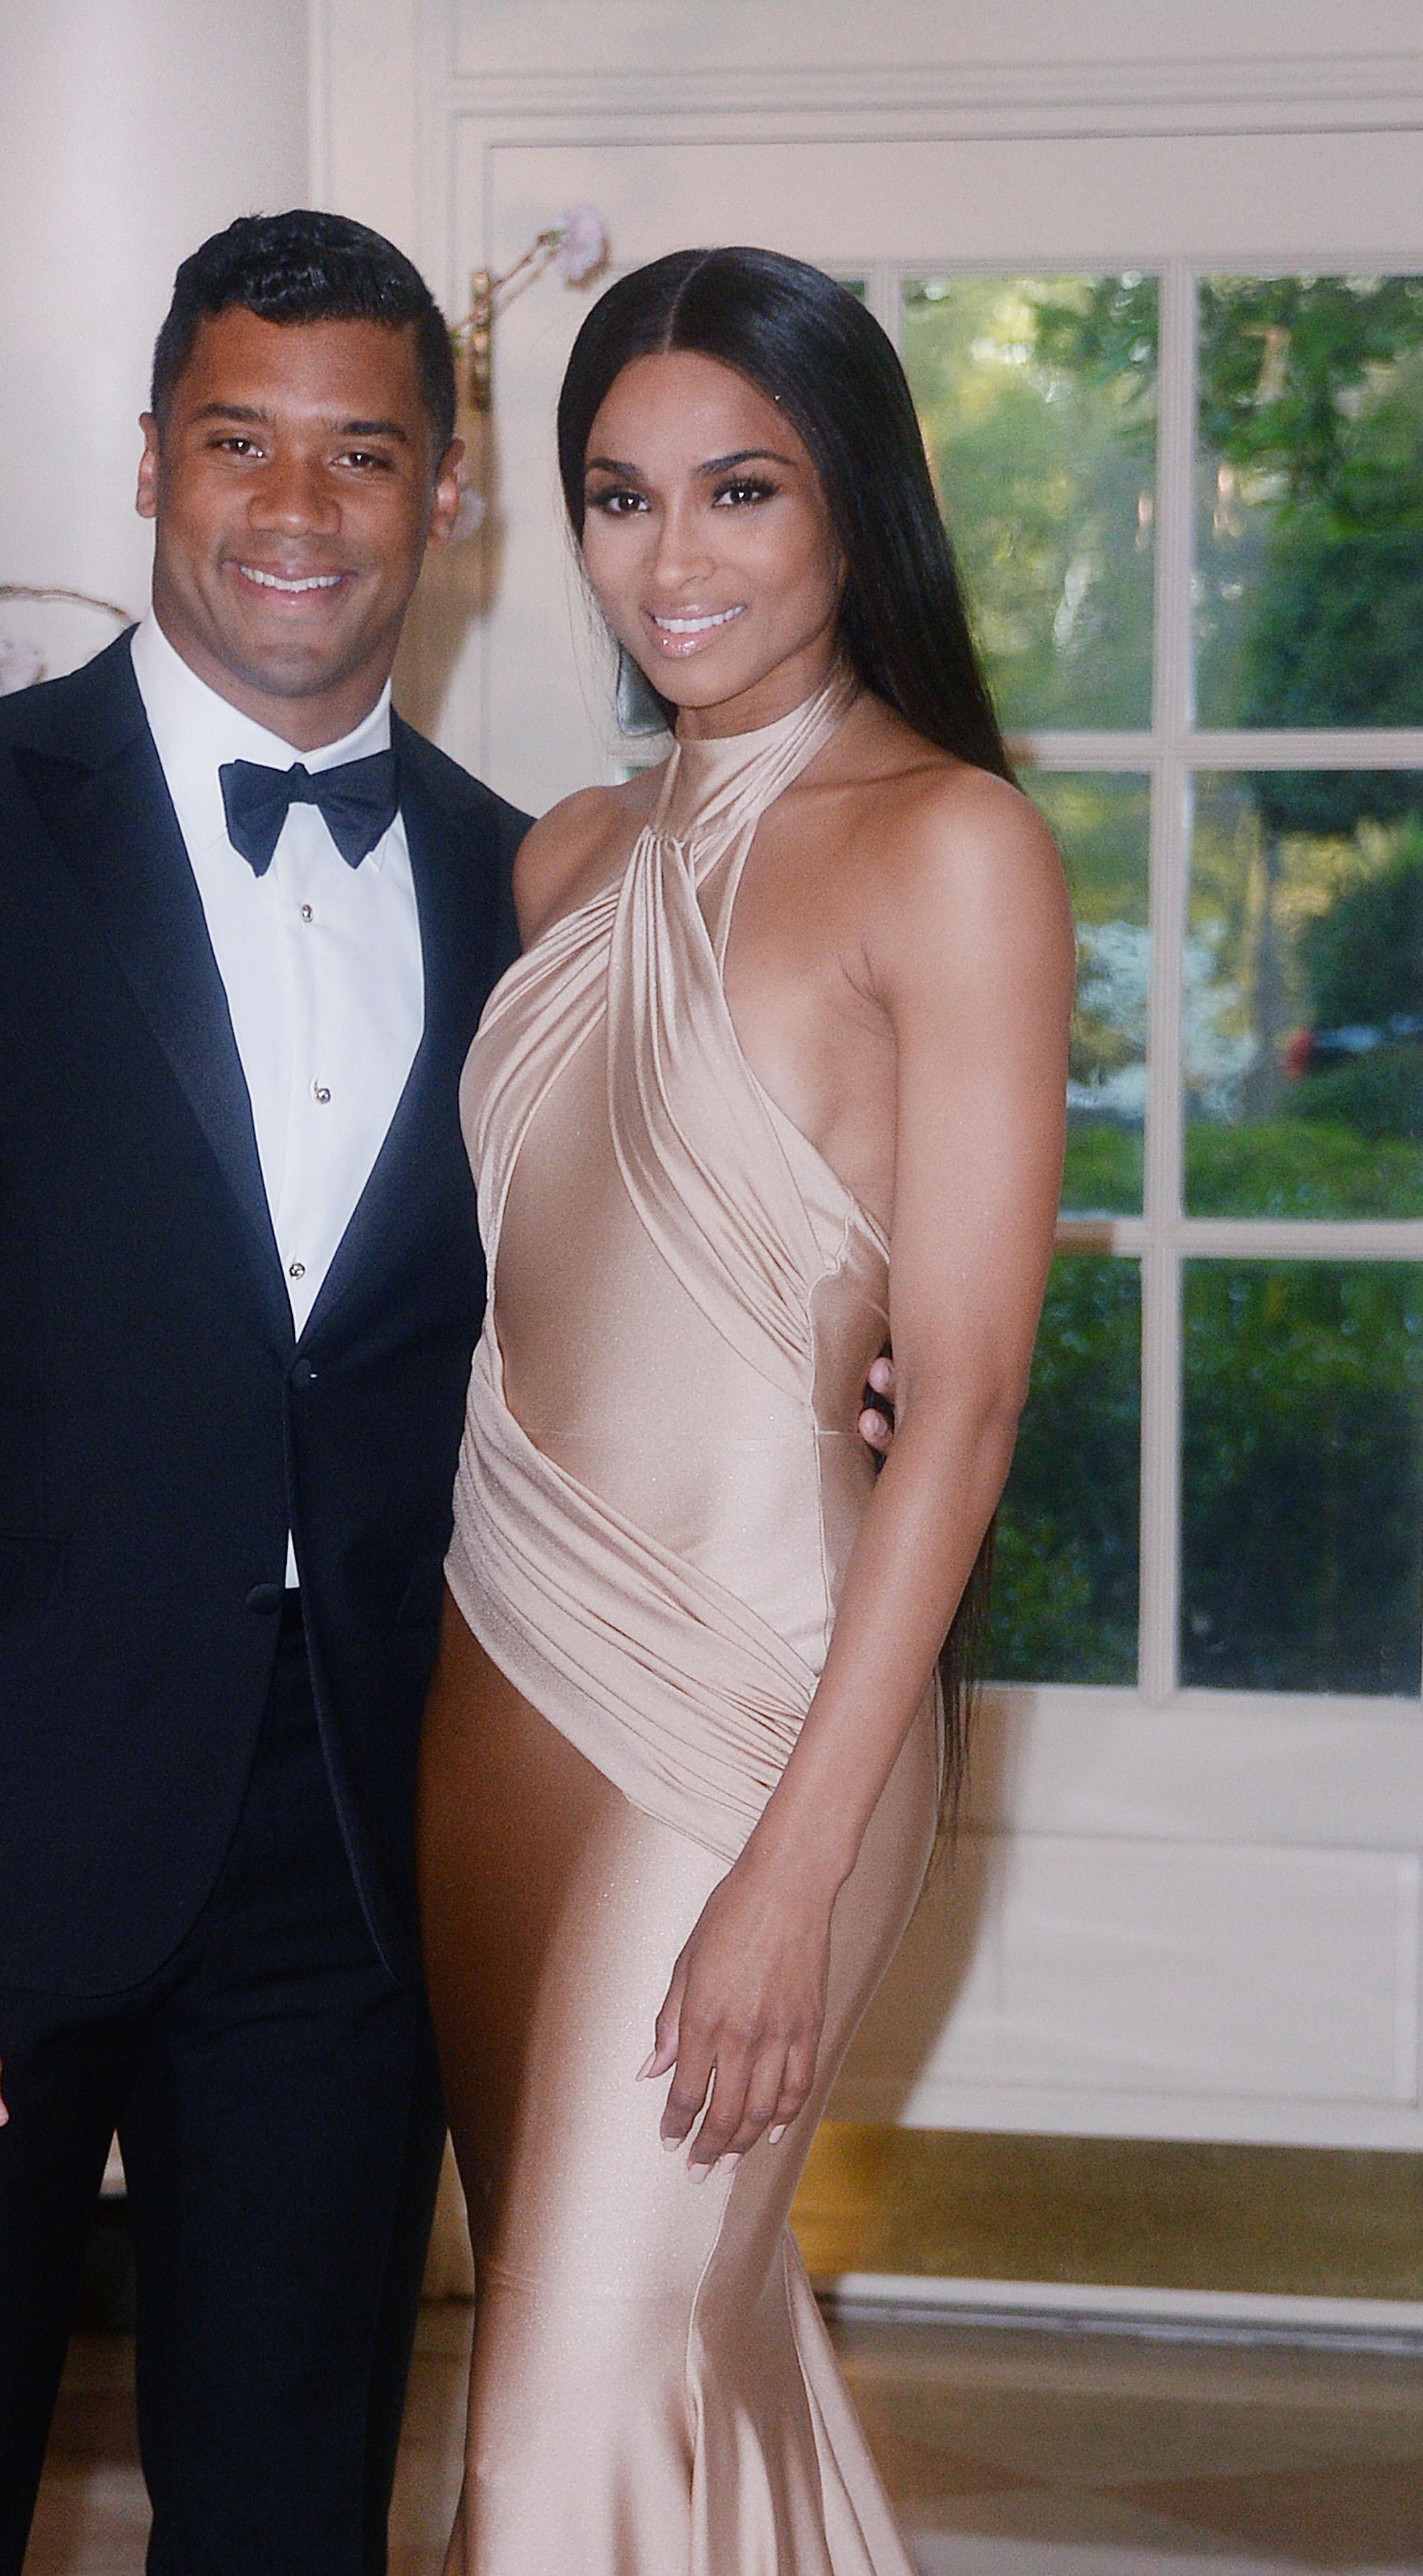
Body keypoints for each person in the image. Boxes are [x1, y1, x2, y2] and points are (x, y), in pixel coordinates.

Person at [0, 210, 524, 2576]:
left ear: (442, 500)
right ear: (149, 458)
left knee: (287, 2520)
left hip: (356, 1859)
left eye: (361, 454)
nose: (295, 506)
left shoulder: (524, 893)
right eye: (238, 439)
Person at [419, 246, 1071, 2572]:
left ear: (847, 507)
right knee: (658, 2351)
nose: (665, 559)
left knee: (569, 2413)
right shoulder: (559, 861)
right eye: (615, 495)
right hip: (493, 1690)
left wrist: (791, 1873)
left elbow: (965, 1401)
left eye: (734, 490)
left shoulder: (950, 847)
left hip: (756, 1720)